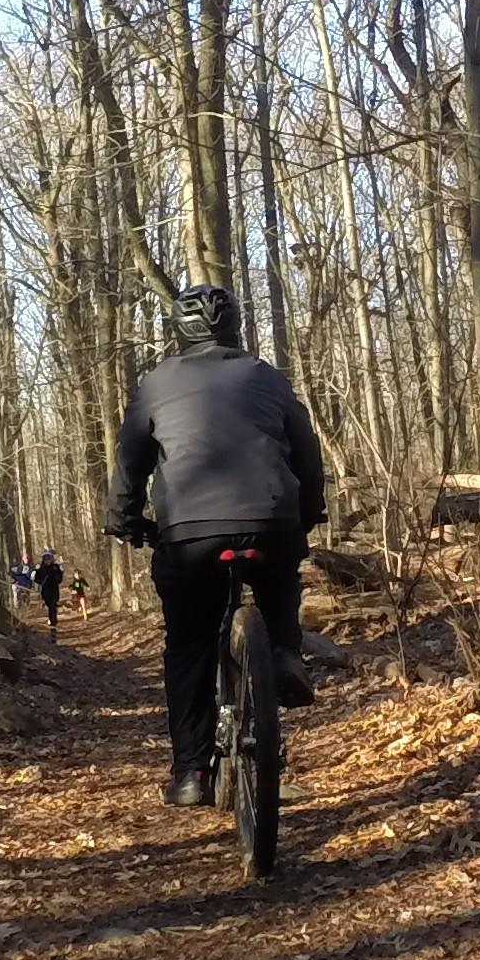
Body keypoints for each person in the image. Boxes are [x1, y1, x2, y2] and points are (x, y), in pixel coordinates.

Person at [105, 283, 325, 808]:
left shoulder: (156, 384)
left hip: (189, 532)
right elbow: (307, 451)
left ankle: (190, 776)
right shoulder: (266, 377)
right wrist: (309, 512)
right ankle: (284, 652)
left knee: (189, 645)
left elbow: (129, 462)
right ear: (235, 329)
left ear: (181, 331)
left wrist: (125, 519)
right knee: (278, 581)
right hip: (273, 519)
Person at [35, 549, 64, 636]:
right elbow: (37, 580)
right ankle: (50, 620)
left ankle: (53, 624)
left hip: (54, 590)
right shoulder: (41, 568)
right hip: (45, 591)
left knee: (53, 606)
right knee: (48, 605)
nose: (47, 561)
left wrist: (59, 574)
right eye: (46, 559)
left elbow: (59, 579)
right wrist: (39, 575)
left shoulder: (55, 567)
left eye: (49, 559)